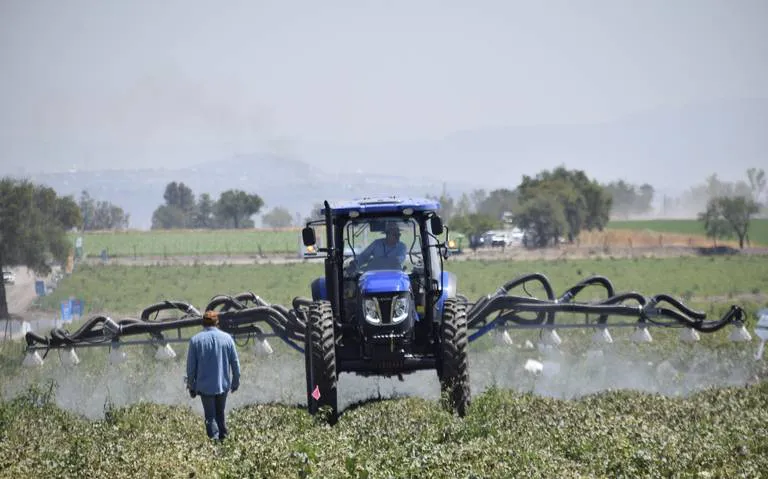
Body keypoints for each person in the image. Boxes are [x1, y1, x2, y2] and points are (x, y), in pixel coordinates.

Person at [186, 311, 241, 442]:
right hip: (223, 384)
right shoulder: (227, 338)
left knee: (210, 417)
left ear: (203, 323)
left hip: (204, 386)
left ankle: (215, 442)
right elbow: (235, 363)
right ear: (217, 323)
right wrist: (235, 381)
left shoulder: (195, 340)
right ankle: (224, 439)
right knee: (220, 413)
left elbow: (191, 368)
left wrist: (191, 386)